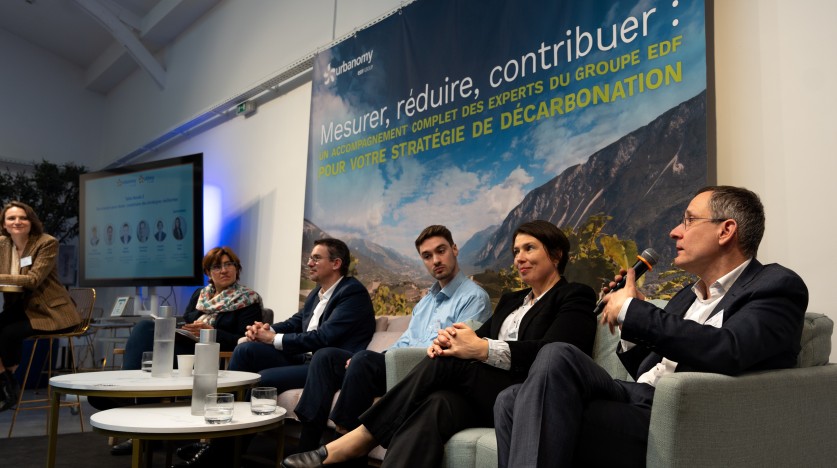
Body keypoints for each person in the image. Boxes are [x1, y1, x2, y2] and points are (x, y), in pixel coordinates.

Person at [492, 186, 809, 468]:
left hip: (679, 413)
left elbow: (731, 349)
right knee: (512, 398)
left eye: (688, 220)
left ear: (726, 230)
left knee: (554, 359)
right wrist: (629, 324)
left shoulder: (775, 285)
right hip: (639, 396)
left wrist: (633, 311)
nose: (674, 232)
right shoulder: (687, 296)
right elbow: (647, 367)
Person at [282, 220, 597, 468]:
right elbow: (478, 335)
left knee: (450, 360)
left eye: (529, 249)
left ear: (555, 255)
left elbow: (557, 352)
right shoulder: (511, 300)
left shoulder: (575, 296)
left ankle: (361, 437)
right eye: (515, 251)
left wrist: (479, 349)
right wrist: (451, 340)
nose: (519, 258)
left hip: (526, 392)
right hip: (485, 391)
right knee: (436, 405)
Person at [294, 225, 492, 451]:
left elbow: (456, 350)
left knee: (362, 361)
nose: (435, 260)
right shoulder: (426, 301)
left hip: (430, 372)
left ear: (454, 250)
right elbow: (405, 342)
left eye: (441, 251)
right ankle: (308, 447)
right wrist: (375, 358)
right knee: (326, 357)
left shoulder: (474, 297)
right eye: (427, 256)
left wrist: (367, 360)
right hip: (401, 366)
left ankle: (341, 444)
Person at [179, 238, 375, 467]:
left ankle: (223, 453)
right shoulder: (317, 293)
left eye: (316, 258)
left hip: (331, 366)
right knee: (246, 350)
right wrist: (265, 328)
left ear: (336, 263)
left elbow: (324, 337)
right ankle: (222, 437)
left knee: (263, 379)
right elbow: (295, 322)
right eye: (310, 258)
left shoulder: (352, 293)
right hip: (306, 359)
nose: (309, 263)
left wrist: (273, 339)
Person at [100, 245, 263, 455]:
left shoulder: (248, 300)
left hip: (213, 356)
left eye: (228, 264)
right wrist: (188, 330)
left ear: (236, 268)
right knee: (147, 327)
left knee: (157, 350)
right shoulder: (200, 295)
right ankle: (131, 396)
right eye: (216, 266)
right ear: (208, 273)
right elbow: (188, 319)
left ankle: (132, 408)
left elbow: (242, 341)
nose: (223, 270)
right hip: (187, 348)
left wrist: (210, 331)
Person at [0, 201, 81, 411]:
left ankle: (7, 386)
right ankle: (7, 381)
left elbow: (34, 279)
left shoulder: (46, 242)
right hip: (22, 308)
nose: (17, 222)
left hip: (52, 312)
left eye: (23, 217)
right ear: (4, 224)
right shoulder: (3, 243)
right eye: (11, 218)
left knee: (8, 333)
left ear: (31, 221)